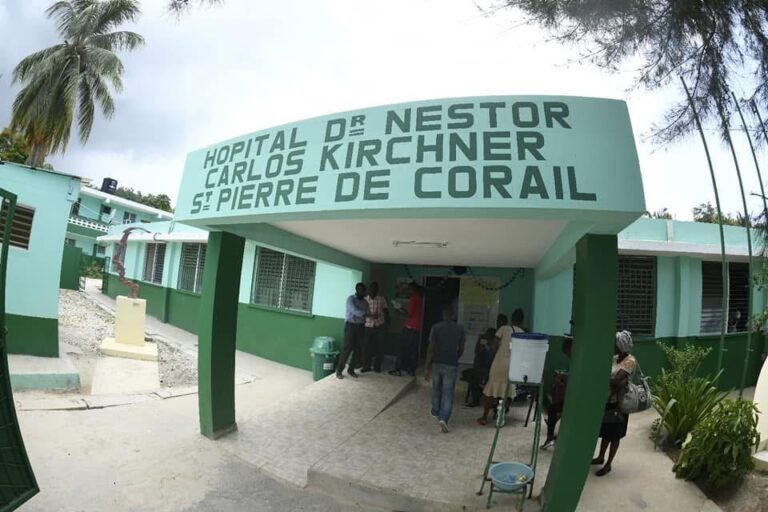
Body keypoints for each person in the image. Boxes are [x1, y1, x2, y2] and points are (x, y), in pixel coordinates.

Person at [592, 330, 637, 476]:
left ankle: (608, 464)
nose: (612, 345)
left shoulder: (630, 361)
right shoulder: (615, 358)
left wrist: (604, 377)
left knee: (615, 435)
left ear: (620, 345)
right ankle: (600, 457)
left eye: (614, 343)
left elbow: (616, 380)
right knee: (606, 432)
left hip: (620, 403)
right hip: (608, 400)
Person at [477, 309, 525, 426]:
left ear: (511, 318)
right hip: (512, 365)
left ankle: (484, 417)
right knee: (507, 390)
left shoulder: (504, 329)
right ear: (522, 321)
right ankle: (500, 414)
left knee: (491, 389)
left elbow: (493, 346)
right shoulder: (523, 333)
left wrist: (495, 354)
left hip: (499, 363)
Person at [424, 304, 466, 433]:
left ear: (443, 315)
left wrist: (427, 367)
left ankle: (436, 411)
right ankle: (444, 418)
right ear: (453, 315)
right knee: (448, 393)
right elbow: (462, 349)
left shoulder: (436, 327)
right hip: (451, 364)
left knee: (437, 388)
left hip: (437, 362)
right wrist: (455, 357)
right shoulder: (460, 329)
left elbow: (431, 348)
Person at [336, 283, 369, 379]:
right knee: (347, 349)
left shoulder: (365, 302)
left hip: (361, 327)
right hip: (351, 326)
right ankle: (339, 370)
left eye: (364, 290)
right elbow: (355, 311)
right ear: (357, 290)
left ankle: (351, 369)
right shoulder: (351, 299)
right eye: (361, 290)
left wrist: (367, 315)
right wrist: (366, 315)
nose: (363, 292)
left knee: (358, 349)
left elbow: (368, 312)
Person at [389, 282, 423, 377]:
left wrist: (399, 308)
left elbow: (409, 314)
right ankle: (411, 370)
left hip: (410, 327)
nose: (408, 291)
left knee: (403, 348)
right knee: (413, 349)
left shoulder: (413, 299)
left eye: (409, 289)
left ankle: (398, 369)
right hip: (416, 328)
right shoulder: (419, 298)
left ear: (414, 289)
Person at [461, 328, 496, 407]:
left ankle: (476, 399)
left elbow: (483, 357)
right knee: (469, 374)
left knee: (472, 376)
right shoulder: (486, 346)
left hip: (488, 371)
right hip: (483, 370)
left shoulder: (492, 348)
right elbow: (477, 353)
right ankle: (479, 391)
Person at [361, 282, 389, 373]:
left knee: (380, 347)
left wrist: (387, 325)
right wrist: (370, 315)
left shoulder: (381, 299)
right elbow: (362, 313)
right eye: (371, 289)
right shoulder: (365, 299)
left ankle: (377, 366)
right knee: (366, 347)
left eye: (375, 289)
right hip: (368, 326)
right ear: (369, 290)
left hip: (379, 326)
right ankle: (366, 366)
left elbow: (386, 312)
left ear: (377, 290)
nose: (373, 291)